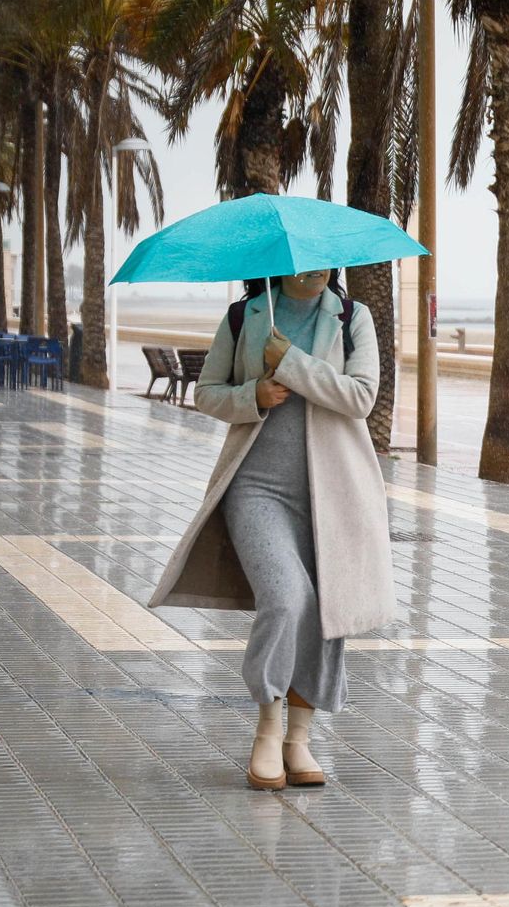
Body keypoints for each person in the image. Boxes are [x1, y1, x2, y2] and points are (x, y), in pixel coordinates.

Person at [148, 268, 395, 789]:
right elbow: (208, 392)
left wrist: (293, 364)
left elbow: (361, 398)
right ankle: (266, 728)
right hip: (254, 487)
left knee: (327, 610)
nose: (316, 268)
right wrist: (253, 395)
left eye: (325, 259)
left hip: (334, 493)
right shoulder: (246, 315)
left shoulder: (353, 318)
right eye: (304, 259)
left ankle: (299, 739)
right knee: (286, 599)